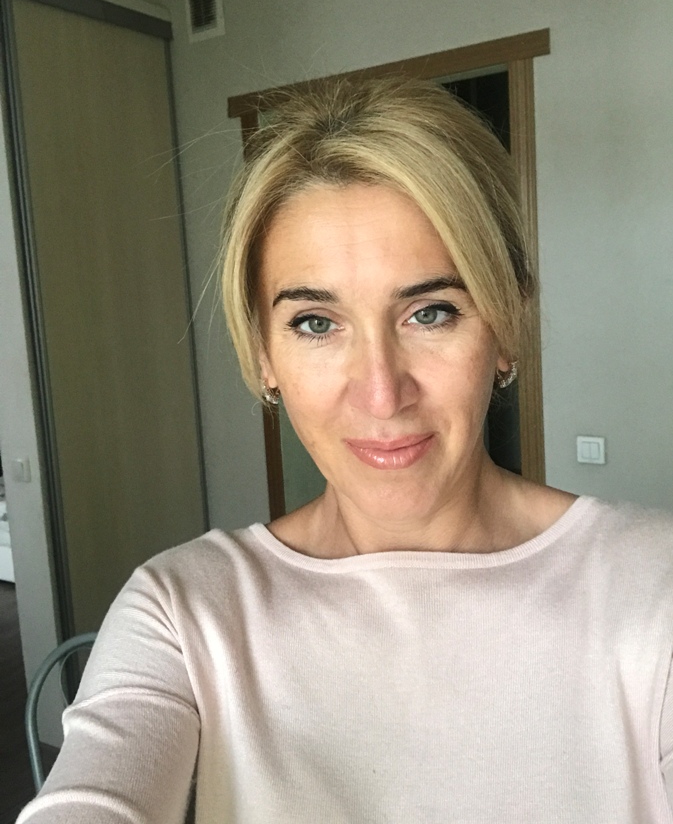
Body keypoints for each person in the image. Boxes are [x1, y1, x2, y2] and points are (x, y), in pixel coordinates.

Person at [18, 77, 673, 823]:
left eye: (431, 312)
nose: (381, 393)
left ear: (505, 325)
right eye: (315, 323)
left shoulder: (653, 584)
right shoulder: (185, 612)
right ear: (262, 352)